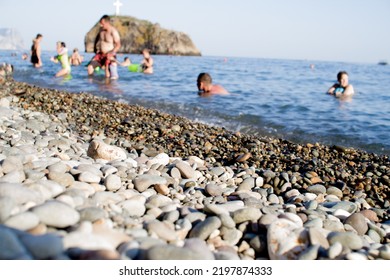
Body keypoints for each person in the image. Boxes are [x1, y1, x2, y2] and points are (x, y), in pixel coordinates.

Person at [87, 15, 121, 79]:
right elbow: (96, 39)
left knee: (107, 74)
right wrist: (95, 49)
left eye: (102, 24)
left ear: (107, 23)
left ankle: (107, 87)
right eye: (100, 23)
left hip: (109, 55)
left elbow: (118, 45)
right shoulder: (101, 31)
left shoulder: (113, 31)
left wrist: (112, 53)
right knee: (90, 67)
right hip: (100, 55)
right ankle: (90, 85)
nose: (101, 25)